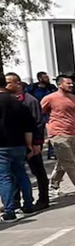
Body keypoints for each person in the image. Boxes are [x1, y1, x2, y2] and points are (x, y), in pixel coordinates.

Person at [7, 72, 49, 211]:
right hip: (15, 142)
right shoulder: (9, 100)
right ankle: (15, 201)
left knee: (37, 170)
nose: (6, 86)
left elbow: (38, 122)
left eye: (8, 83)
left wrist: (37, 143)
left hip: (32, 142)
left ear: (17, 83)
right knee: (14, 172)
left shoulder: (30, 100)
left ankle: (43, 198)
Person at [0, 79, 36, 221]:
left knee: (4, 178)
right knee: (21, 174)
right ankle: (28, 205)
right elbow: (28, 127)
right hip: (19, 144)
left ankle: (10, 211)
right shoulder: (19, 103)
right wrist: (29, 145)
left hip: (1, 146)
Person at [26, 71, 57, 160]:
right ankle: (37, 152)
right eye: (45, 77)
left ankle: (52, 152)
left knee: (51, 134)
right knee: (38, 134)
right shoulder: (32, 88)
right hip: (36, 114)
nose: (48, 79)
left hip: (49, 114)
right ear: (40, 78)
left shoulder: (51, 88)